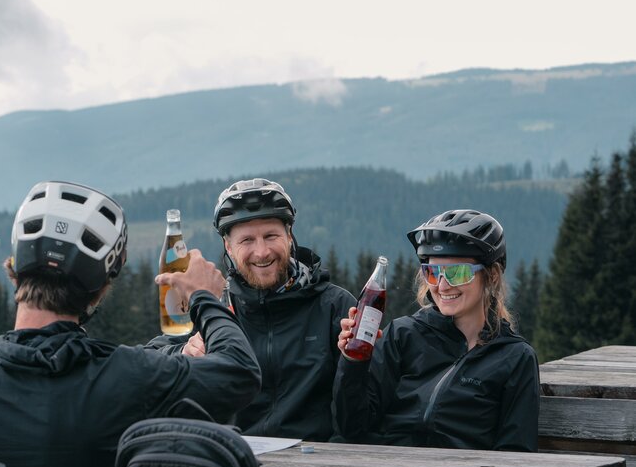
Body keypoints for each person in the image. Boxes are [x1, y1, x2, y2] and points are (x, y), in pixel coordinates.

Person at [0, 181, 261, 467]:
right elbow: (240, 372)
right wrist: (205, 296)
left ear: (14, 274)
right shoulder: (130, 377)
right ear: (100, 289)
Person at [149, 178, 355, 441]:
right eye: (246, 240)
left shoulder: (335, 307)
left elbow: (360, 414)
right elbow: (150, 359)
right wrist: (181, 352)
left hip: (321, 464)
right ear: (228, 247)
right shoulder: (214, 307)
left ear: (289, 236)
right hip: (236, 460)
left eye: (271, 236)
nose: (261, 252)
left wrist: (355, 363)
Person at [333, 209, 540, 451]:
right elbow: (351, 428)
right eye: (432, 273)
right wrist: (353, 363)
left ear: (492, 276)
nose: (442, 285)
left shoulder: (514, 358)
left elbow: (515, 453)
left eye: (457, 273)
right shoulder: (403, 335)